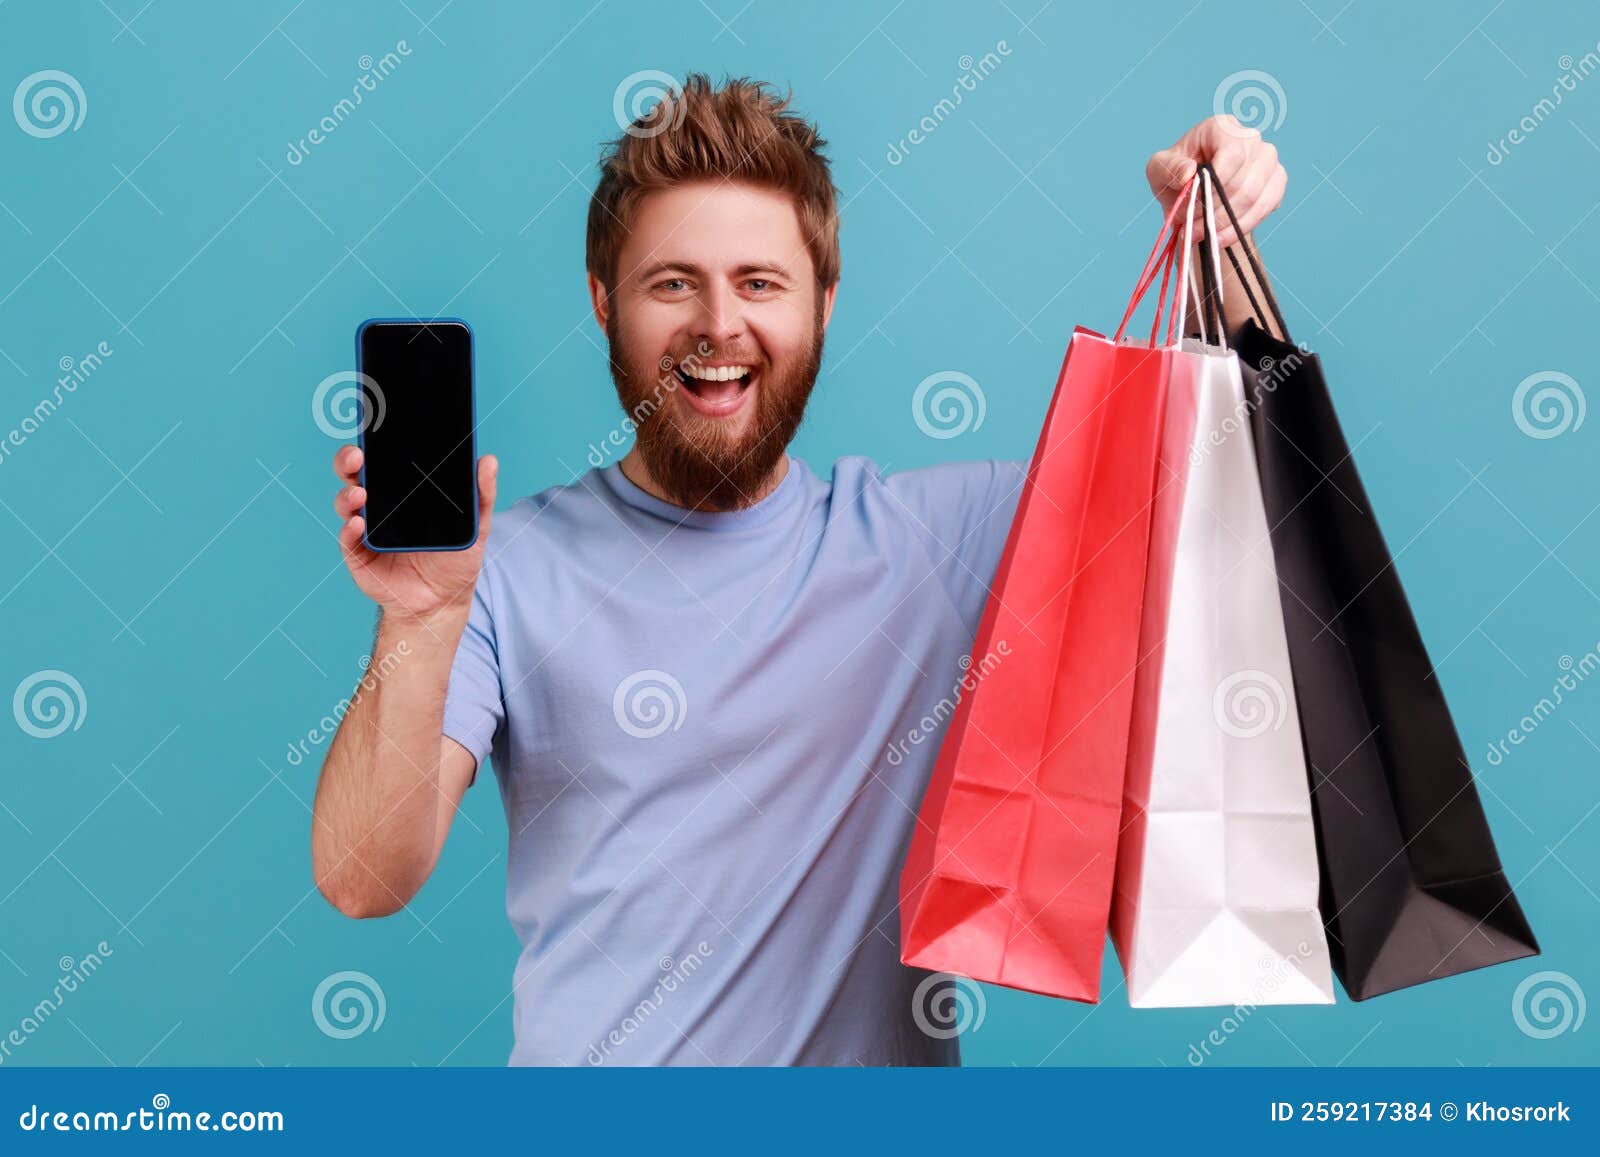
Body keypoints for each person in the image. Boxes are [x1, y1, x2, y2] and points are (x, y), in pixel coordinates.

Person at [309, 74, 1287, 1066]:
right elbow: (362, 877)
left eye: (760, 282)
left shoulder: (943, 540)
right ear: (604, 301)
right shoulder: (503, 570)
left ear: (824, 300)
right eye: (672, 282)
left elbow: (1236, 494)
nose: (718, 324)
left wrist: (1216, 254)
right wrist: (420, 621)